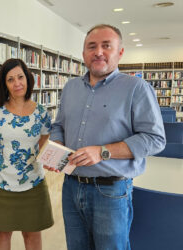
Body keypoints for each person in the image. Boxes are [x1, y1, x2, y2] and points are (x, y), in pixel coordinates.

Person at [48, 24, 166, 250]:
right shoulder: (71, 88)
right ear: (83, 54)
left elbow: (155, 139)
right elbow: (59, 125)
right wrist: (58, 147)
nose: (98, 52)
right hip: (71, 186)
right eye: (92, 47)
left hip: (111, 192)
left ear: (120, 52)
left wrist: (103, 152)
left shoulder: (137, 88)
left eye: (106, 46)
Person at [0, 58, 54, 250]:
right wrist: (2, 166)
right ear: (4, 84)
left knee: (32, 232)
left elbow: (43, 144)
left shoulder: (42, 113)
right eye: (10, 79)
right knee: (2, 232)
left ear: (28, 78)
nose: (17, 83)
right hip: (1, 181)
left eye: (20, 77)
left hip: (33, 181)